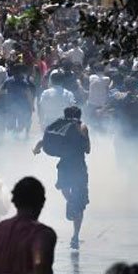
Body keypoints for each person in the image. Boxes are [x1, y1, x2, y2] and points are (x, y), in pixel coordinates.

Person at [33, 106, 90, 249]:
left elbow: (41, 142)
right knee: (80, 203)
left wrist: (36, 149)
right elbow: (88, 149)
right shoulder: (82, 126)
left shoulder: (59, 126)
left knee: (65, 188)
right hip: (79, 166)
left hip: (64, 165)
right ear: (79, 115)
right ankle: (75, 236)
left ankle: (70, 201)